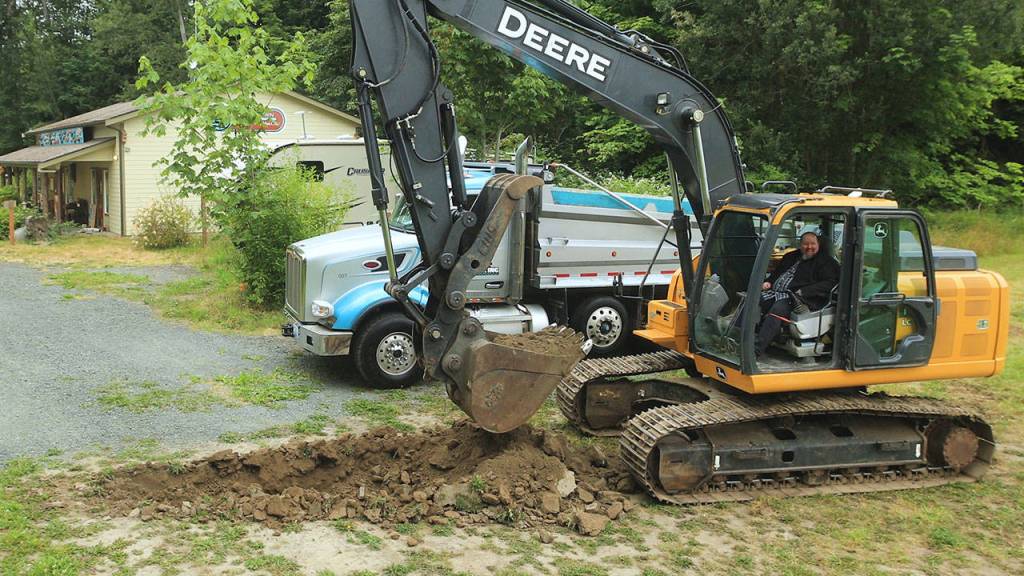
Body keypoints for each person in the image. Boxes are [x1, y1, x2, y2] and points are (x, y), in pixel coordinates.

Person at [756, 231, 840, 356]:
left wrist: (804, 291)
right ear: (800, 245)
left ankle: (756, 349)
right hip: (776, 292)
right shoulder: (790, 256)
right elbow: (777, 273)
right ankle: (738, 336)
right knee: (752, 300)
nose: (809, 247)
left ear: (818, 245)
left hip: (802, 299)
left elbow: (831, 282)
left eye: (813, 244)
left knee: (778, 310)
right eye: (806, 244)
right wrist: (769, 282)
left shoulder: (827, 262)